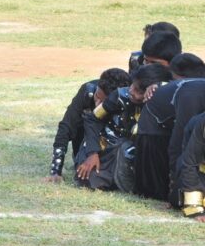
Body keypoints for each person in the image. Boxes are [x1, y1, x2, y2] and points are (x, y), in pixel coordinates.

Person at [76, 64, 172, 192]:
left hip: (137, 154)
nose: (131, 91)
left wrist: (159, 87)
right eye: (133, 85)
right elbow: (92, 119)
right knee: (88, 177)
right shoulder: (119, 96)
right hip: (109, 148)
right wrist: (92, 153)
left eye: (139, 91)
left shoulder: (163, 107)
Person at [135, 53, 205, 201]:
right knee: (163, 194)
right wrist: (175, 186)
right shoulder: (191, 95)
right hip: (154, 132)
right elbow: (179, 143)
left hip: (174, 124)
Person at [45, 68, 130, 183]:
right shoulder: (87, 91)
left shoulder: (127, 100)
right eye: (97, 96)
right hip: (86, 145)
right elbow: (66, 126)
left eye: (103, 102)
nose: (97, 103)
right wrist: (55, 171)